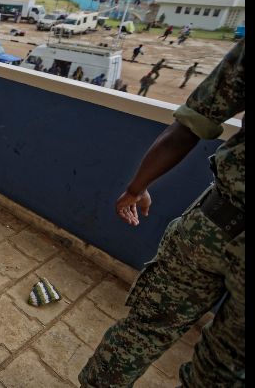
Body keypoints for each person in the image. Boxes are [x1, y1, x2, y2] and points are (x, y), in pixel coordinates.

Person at [79, 40, 244, 387]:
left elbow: (188, 127)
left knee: (143, 330)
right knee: (223, 373)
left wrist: (136, 189)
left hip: (214, 224)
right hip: (213, 228)